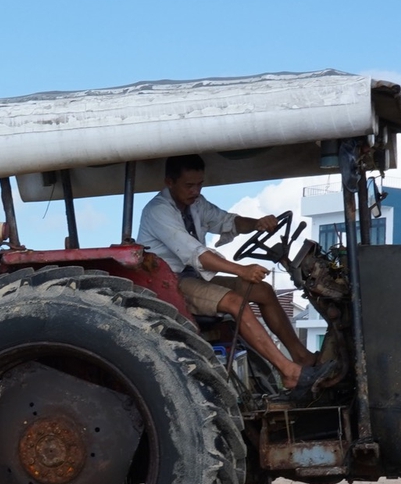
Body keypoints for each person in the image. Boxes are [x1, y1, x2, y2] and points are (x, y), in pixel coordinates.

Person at [135, 153, 326, 393]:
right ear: (169, 182)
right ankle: (287, 372)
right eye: (189, 185)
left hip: (194, 276)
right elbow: (196, 254)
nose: (195, 191)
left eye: (199, 184)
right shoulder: (158, 211)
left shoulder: (196, 203)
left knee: (264, 291)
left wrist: (256, 223)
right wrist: (241, 270)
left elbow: (227, 221)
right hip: (170, 283)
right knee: (237, 303)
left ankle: (302, 356)